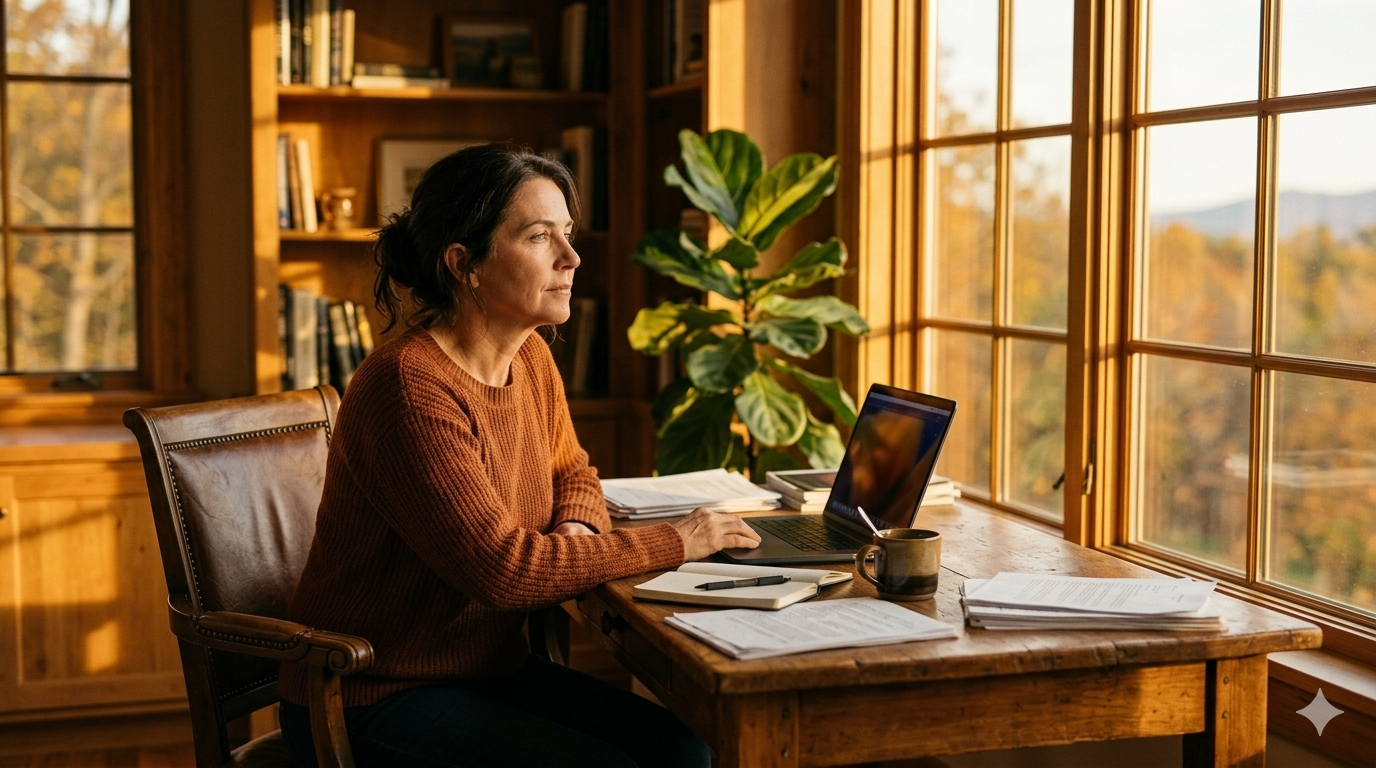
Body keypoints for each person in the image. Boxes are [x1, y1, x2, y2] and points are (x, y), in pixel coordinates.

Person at [277, 143, 761, 768]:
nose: (571, 258)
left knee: (683, 749)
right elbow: (504, 571)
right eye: (539, 237)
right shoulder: (409, 386)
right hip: (369, 694)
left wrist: (577, 530)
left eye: (567, 233)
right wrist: (680, 540)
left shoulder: (529, 355)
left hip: (486, 670)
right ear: (464, 264)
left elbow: (573, 470)